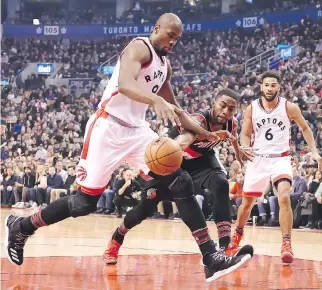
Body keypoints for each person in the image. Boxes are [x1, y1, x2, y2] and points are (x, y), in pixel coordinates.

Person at [5, 13, 251, 282]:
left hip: (136, 131)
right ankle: (22, 226)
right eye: (170, 35)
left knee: (181, 182)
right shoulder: (139, 47)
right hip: (107, 127)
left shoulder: (165, 67)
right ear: (157, 28)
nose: (173, 42)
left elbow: (177, 111)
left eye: (177, 39)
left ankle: (210, 257)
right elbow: (124, 84)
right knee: (84, 203)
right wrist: (154, 101)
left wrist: (205, 133)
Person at [103, 89, 254, 264]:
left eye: (231, 109)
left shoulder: (231, 123)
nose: (226, 112)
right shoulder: (198, 120)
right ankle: (117, 237)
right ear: (214, 103)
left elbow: (232, 137)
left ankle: (226, 247)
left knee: (221, 183)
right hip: (174, 160)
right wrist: (175, 146)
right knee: (146, 207)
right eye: (223, 106)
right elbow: (185, 140)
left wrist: (238, 152)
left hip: (202, 160)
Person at [228, 71, 322, 265]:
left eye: (273, 85)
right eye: (266, 85)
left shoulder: (289, 107)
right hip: (258, 159)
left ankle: (286, 244)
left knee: (284, 196)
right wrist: (244, 146)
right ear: (261, 86)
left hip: (281, 158)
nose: (269, 88)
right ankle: (237, 235)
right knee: (246, 204)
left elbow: (305, 128)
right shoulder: (252, 108)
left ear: (279, 87)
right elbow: (245, 134)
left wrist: (314, 151)